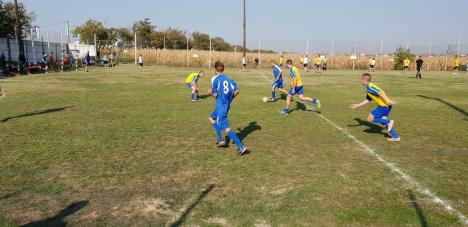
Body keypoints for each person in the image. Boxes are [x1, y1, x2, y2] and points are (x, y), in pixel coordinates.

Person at [208, 61, 248, 156]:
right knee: (211, 118)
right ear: (223, 69)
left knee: (226, 127)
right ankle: (220, 139)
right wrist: (230, 100)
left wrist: (210, 92)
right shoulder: (230, 79)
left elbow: (215, 94)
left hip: (221, 106)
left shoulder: (214, 79)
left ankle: (241, 146)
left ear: (215, 69)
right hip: (225, 105)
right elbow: (237, 91)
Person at [351, 73, 400, 142]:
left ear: (364, 80)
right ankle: (396, 136)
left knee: (369, 118)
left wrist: (388, 101)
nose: (360, 81)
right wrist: (358, 105)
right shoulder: (368, 88)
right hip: (387, 106)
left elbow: (380, 92)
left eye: (361, 79)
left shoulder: (370, 87)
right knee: (383, 122)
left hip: (384, 106)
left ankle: (389, 122)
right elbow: (368, 99)